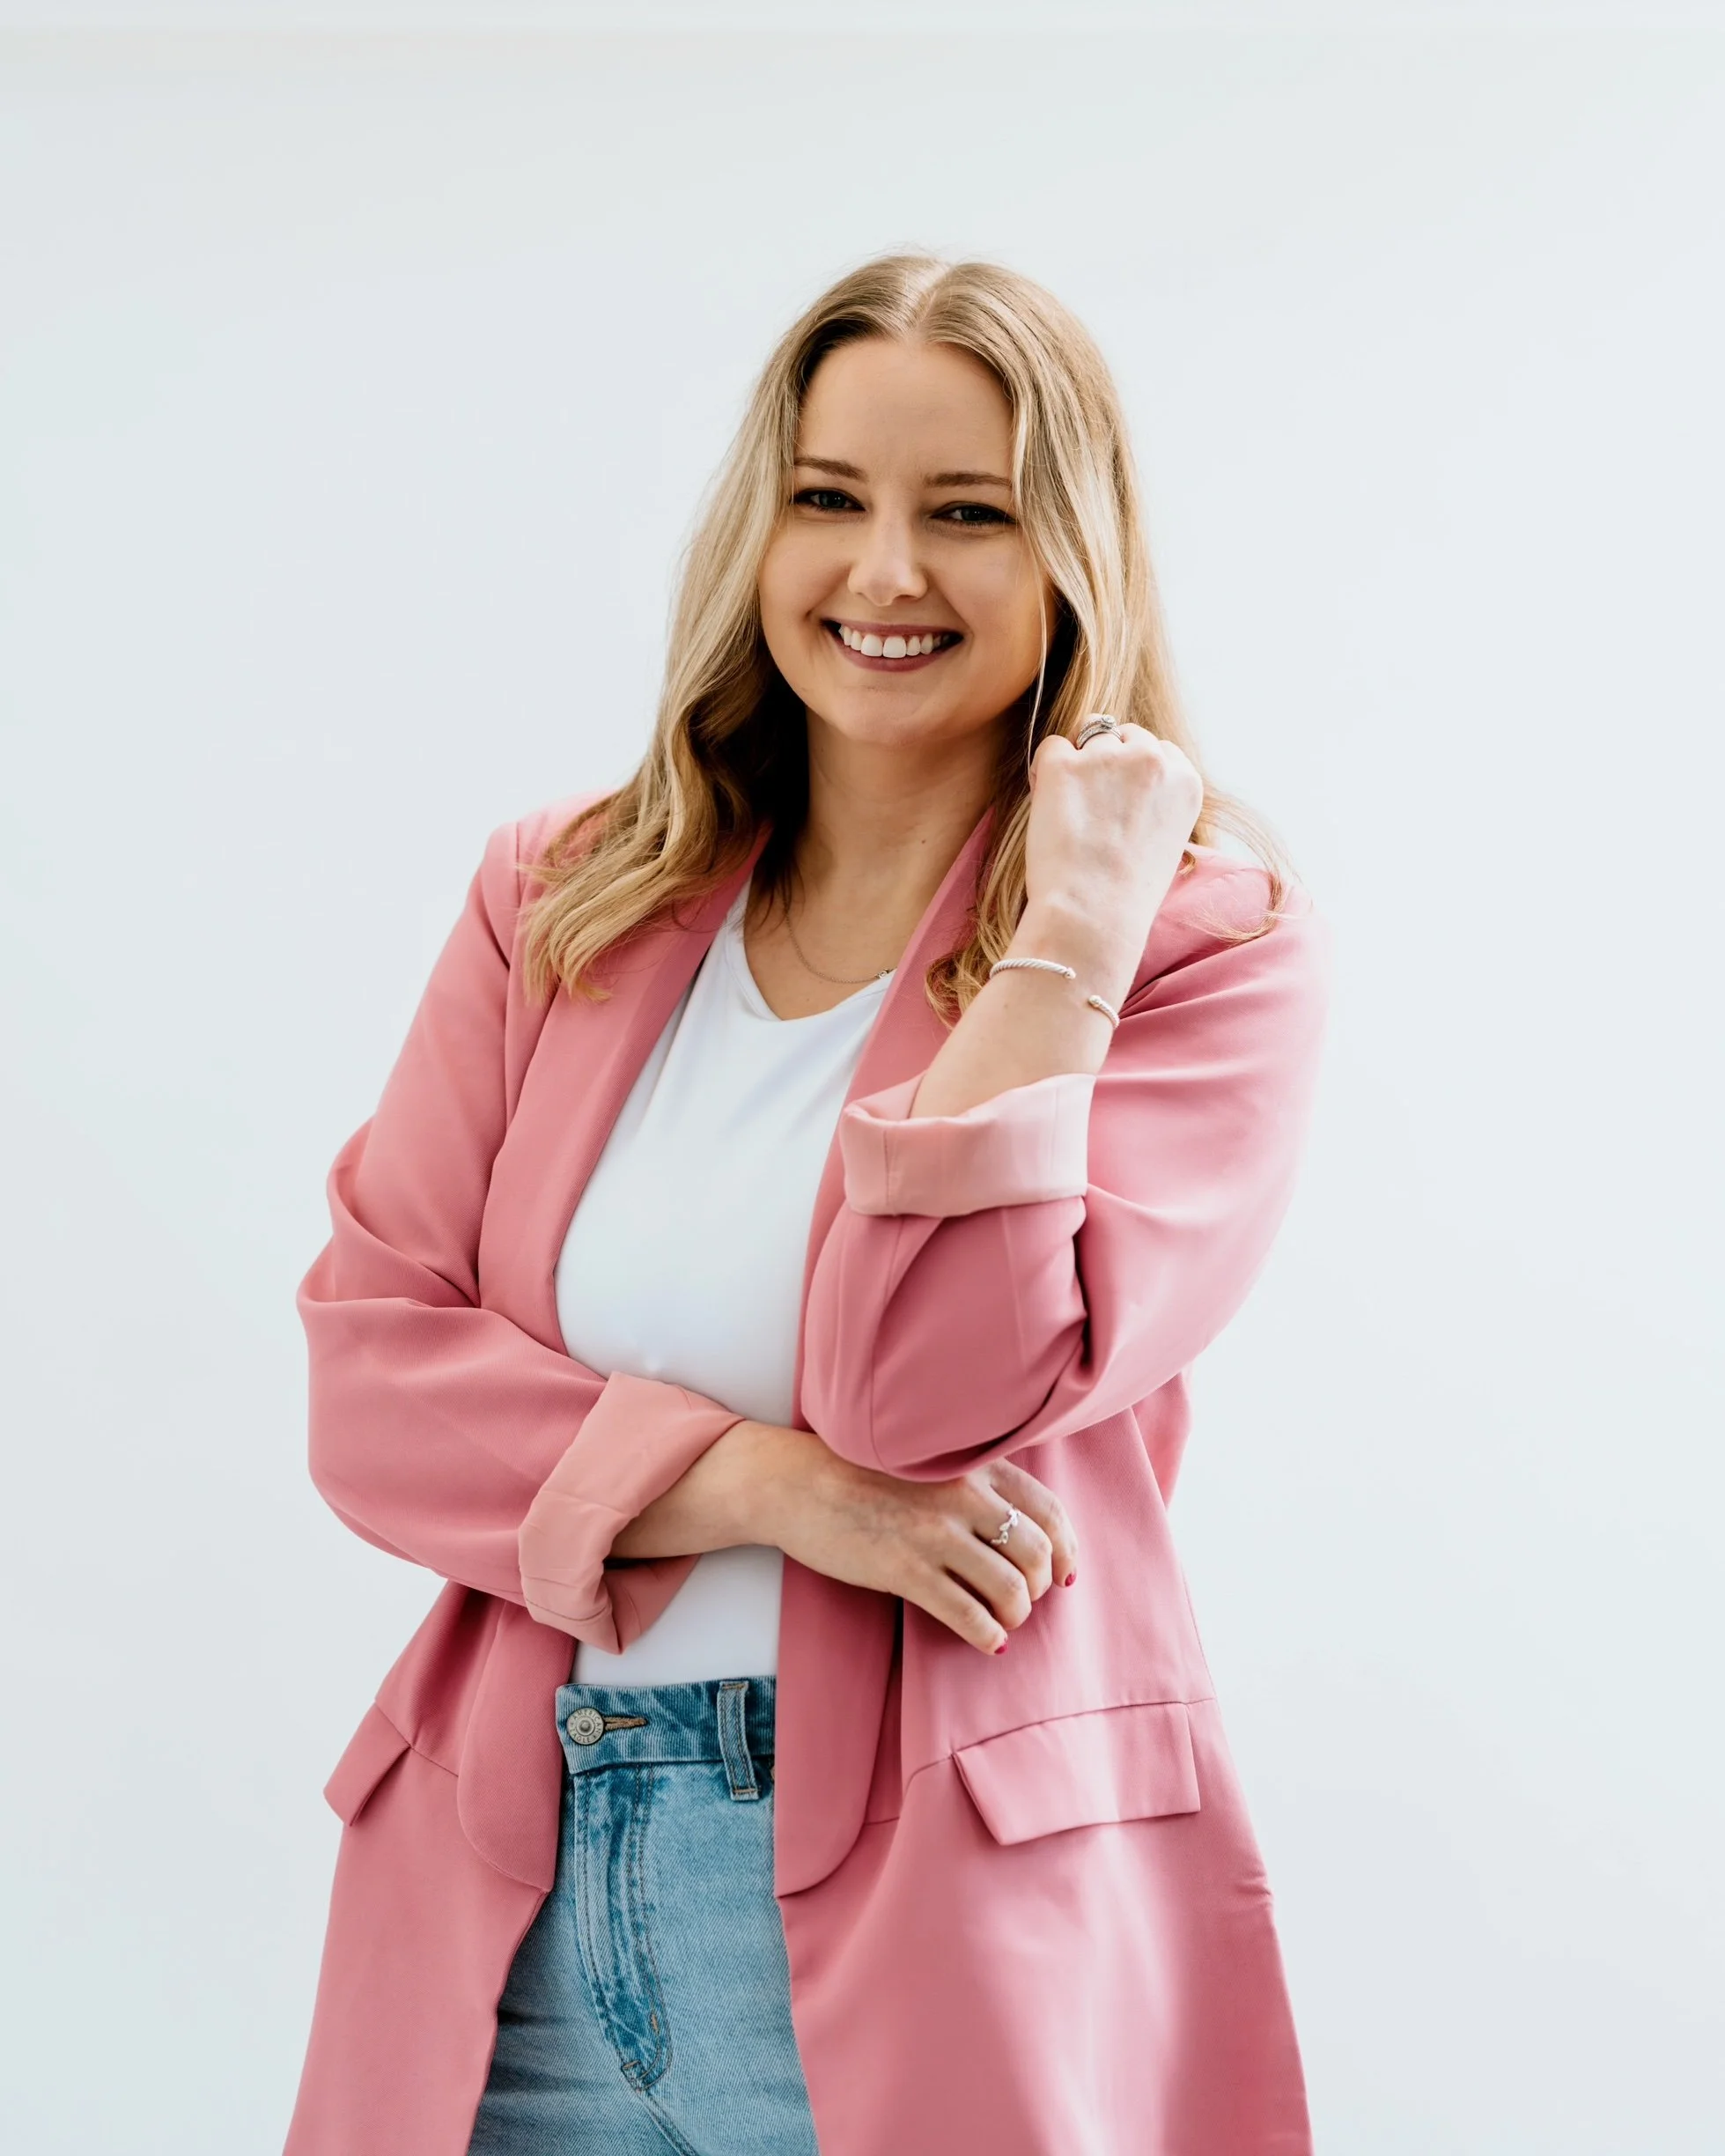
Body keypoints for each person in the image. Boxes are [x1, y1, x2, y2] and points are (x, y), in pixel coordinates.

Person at [284, 251, 1333, 2156]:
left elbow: (935, 1393)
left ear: (1072, 555)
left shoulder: (1199, 950)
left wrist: (1067, 938)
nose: (885, 576)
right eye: (830, 500)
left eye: (968, 516)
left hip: (936, 1898)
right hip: (512, 1884)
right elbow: (370, 1390)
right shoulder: (565, 898)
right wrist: (775, 1493)